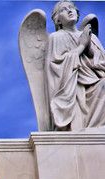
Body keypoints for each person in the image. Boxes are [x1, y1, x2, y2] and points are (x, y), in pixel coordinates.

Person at [47, 0, 105, 130]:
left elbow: (102, 62)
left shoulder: (91, 37)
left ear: (77, 14)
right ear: (58, 20)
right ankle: (89, 130)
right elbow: (57, 66)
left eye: (71, 8)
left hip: (95, 80)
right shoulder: (56, 37)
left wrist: (90, 49)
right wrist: (82, 46)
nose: (69, 10)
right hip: (74, 86)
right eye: (63, 9)